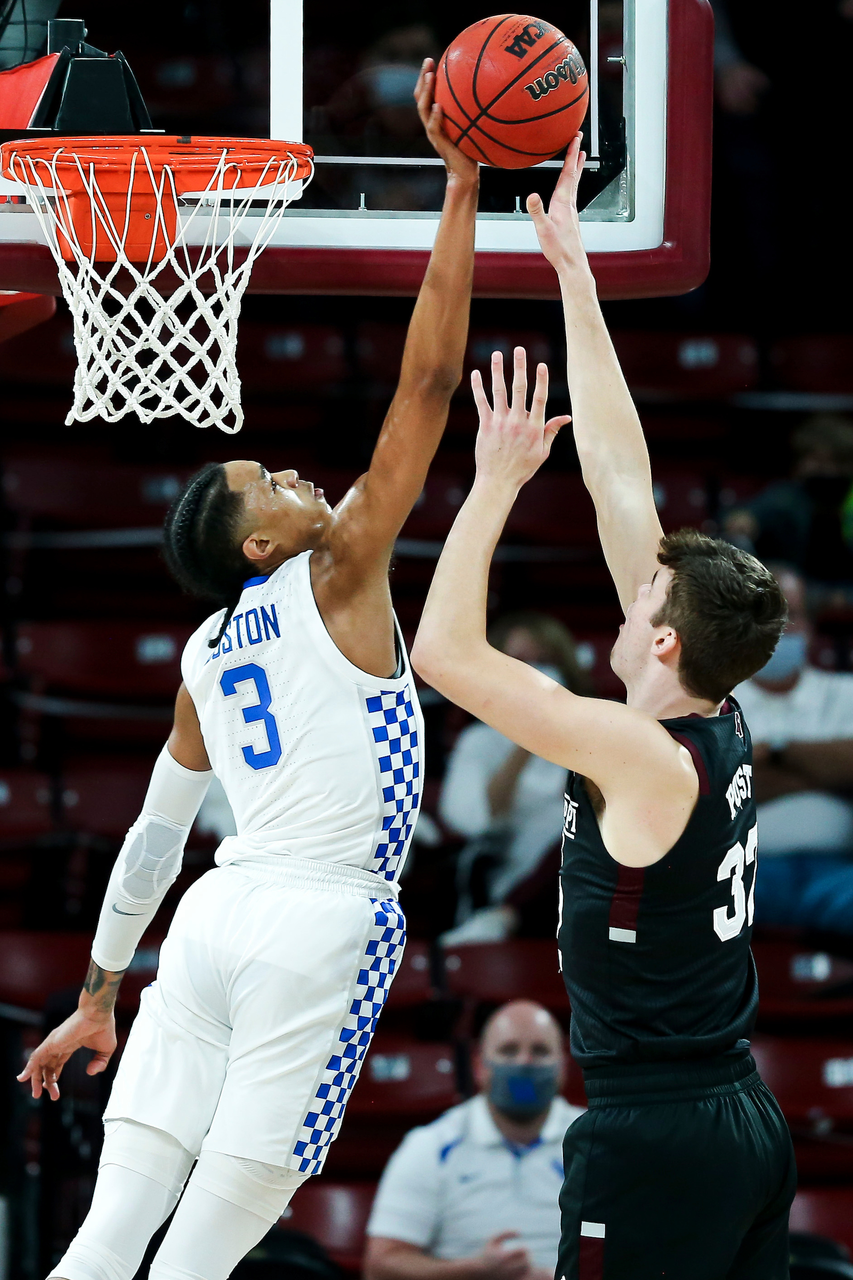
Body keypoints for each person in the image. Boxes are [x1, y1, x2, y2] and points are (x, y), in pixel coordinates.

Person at [16, 66, 479, 1280]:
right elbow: (428, 386)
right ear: (265, 546)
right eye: (270, 482)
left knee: (106, 1236)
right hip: (321, 917)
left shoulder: (206, 656)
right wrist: (463, 179)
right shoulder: (339, 574)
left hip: (208, 923)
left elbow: (152, 841)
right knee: (198, 1262)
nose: (293, 472)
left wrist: (102, 990)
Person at [411, 137, 796, 1279]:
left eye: (641, 595)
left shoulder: (636, 749)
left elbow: (441, 650)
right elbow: (621, 482)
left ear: (664, 637)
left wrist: (489, 486)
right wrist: (574, 269)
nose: (623, 592)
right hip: (735, 1119)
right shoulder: (711, 709)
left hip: (658, 1134)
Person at [364, 1000, 584, 1280]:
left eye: (540, 1051)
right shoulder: (430, 1146)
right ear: (480, 1066)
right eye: (508, 1050)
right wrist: (477, 1271)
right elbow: (380, 1267)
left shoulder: (595, 1142)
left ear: (562, 1067)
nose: (524, 1063)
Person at [439, 612, 592, 944]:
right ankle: (504, 917)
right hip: (516, 877)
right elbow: (472, 820)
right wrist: (527, 742)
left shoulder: (594, 734)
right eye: (521, 661)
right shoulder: (480, 741)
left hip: (589, 884)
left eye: (546, 662)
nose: (536, 672)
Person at [733, 564, 853, 934]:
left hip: (839, 870)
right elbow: (713, 786)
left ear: (813, 626)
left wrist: (775, 753)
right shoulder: (713, 703)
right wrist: (827, 777)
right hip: (742, 871)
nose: (781, 629)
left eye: (793, 616)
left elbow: (739, 781)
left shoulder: (845, 692)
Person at [723, 414, 853, 603]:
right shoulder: (786, 498)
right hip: (802, 592)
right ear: (799, 465)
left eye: (837, 463)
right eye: (818, 462)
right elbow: (749, 515)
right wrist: (743, 520)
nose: (828, 472)